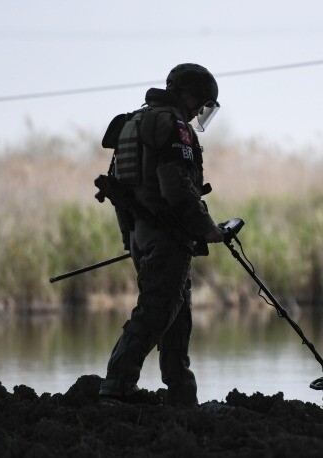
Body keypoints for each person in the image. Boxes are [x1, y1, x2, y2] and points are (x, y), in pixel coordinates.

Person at [98, 63, 224, 407]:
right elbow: (175, 186)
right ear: (189, 95)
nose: (200, 111)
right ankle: (118, 384)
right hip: (165, 236)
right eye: (201, 103)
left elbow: (124, 190)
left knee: (175, 314)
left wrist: (132, 240)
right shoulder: (173, 125)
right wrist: (207, 228)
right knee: (157, 311)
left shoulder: (133, 122)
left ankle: (182, 395)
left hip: (144, 234)